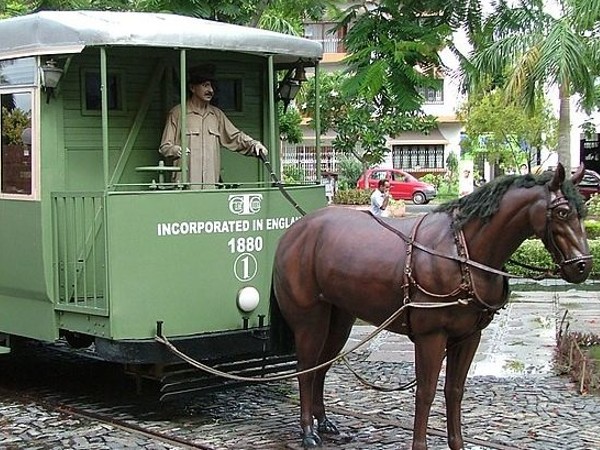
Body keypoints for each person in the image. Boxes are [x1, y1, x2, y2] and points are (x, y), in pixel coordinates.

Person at [159, 65, 267, 188]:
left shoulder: (216, 115)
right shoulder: (178, 113)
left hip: (211, 187)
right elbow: (165, 146)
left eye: (211, 86)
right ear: (192, 88)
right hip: (185, 187)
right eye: (205, 85)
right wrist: (176, 150)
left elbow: (235, 137)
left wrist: (254, 145)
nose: (210, 90)